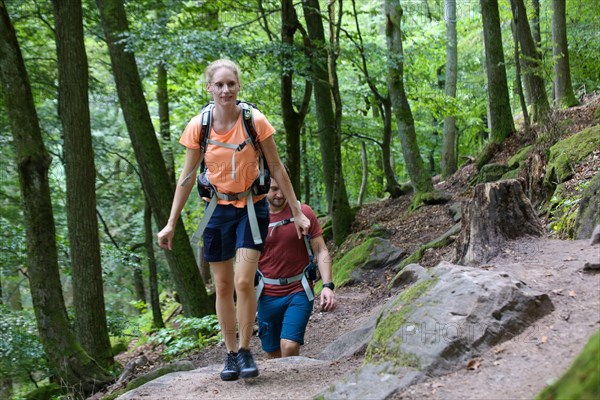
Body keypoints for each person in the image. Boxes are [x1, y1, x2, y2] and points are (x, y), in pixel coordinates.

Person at [157, 59, 309, 381]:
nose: (226, 90)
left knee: (243, 281)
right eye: (220, 84)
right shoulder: (199, 126)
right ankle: (229, 354)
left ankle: (244, 350)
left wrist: (296, 212)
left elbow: (277, 168)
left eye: (231, 84)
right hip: (216, 211)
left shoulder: (255, 121)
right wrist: (171, 222)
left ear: (238, 86)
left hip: (252, 209)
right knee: (223, 286)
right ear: (209, 88)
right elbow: (186, 179)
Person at [256, 175, 336, 358]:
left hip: (298, 290)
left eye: (283, 188)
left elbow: (321, 250)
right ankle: (284, 387)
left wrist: (327, 286)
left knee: (289, 346)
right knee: (273, 353)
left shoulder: (303, 212)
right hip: (267, 294)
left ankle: (295, 383)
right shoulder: (255, 217)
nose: (279, 194)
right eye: (274, 189)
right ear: (263, 188)